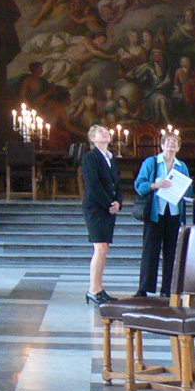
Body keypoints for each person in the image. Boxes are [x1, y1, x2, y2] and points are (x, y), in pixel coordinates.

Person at [133, 131, 189, 297]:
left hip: (174, 213)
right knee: (150, 251)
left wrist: (184, 189)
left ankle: (167, 289)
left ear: (178, 147)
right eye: (168, 141)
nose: (171, 144)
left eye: (175, 142)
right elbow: (139, 185)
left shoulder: (182, 166)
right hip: (155, 213)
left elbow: (188, 188)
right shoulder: (151, 162)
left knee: (172, 252)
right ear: (162, 145)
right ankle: (144, 288)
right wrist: (155, 185)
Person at [80, 123, 121, 304]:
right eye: (100, 132)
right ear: (93, 139)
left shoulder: (110, 158)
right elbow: (93, 184)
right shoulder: (90, 157)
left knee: (104, 248)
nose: (105, 133)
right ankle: (93, 290)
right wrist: (108, 204)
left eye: (106, 131)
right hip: (96, 207)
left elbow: (117, 183)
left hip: (109, 207)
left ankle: (99, 288)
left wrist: (119, 202)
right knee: (100, 248)